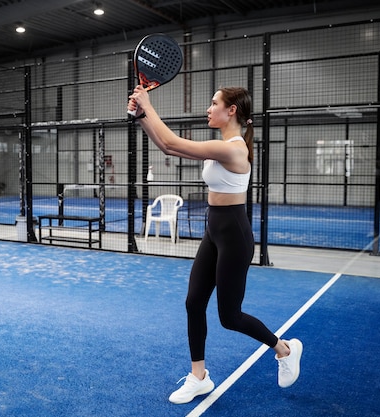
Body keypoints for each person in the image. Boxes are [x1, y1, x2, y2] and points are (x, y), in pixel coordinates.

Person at [128, 85, 303, 404]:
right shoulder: (222, 144)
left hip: (234, 235)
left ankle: (285, 349)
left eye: (214, 103)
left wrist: (148, 104)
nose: (208, 109)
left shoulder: (234, 149)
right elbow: (169, 149)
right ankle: (199, 377)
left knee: (230, 317)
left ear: (231, 110)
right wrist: (142, 115)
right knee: (194, 302)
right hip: (214, 230)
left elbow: (170, 142)